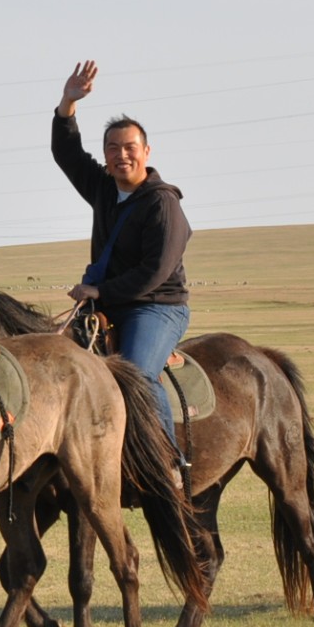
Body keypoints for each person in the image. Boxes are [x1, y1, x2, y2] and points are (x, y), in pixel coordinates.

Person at [51, 60, 192, 444]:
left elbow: (156, 271)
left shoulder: (163, 203)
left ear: (146, 151)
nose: (121, 155)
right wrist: (68, 103)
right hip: (107, 306)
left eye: (130, 147)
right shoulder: (103, 187)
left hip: (156, 306)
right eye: (112, 148)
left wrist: (101, 292)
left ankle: (165, 459)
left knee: (137, 373)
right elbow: (67, 154)